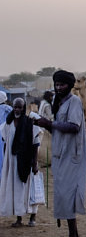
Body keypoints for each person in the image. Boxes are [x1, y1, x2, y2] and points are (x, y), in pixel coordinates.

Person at [33, 70, 86, 237]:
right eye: (56, 84)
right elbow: (59, 131)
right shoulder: (59, 103)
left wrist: (50, 124)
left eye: (62, 84)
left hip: (72, 156)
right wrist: (43, 124)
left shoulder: (75, 102)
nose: (58, 87)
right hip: (60, 156)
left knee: (68, 195)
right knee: (63, 195)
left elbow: (73, 126)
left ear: (69, 85)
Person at [1, 97, 43, 227]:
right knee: (17, 190)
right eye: (15, 107)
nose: (17, 109)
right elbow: (5, 142)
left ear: (23, 108)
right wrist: (6, 161)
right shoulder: (8, 123)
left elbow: (35, 144)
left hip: (26, 161)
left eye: (19, 107)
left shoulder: (30, 123)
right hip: (13, 161)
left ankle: (32, 217)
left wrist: (34, 163)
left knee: (30, 189)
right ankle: (19, 218)